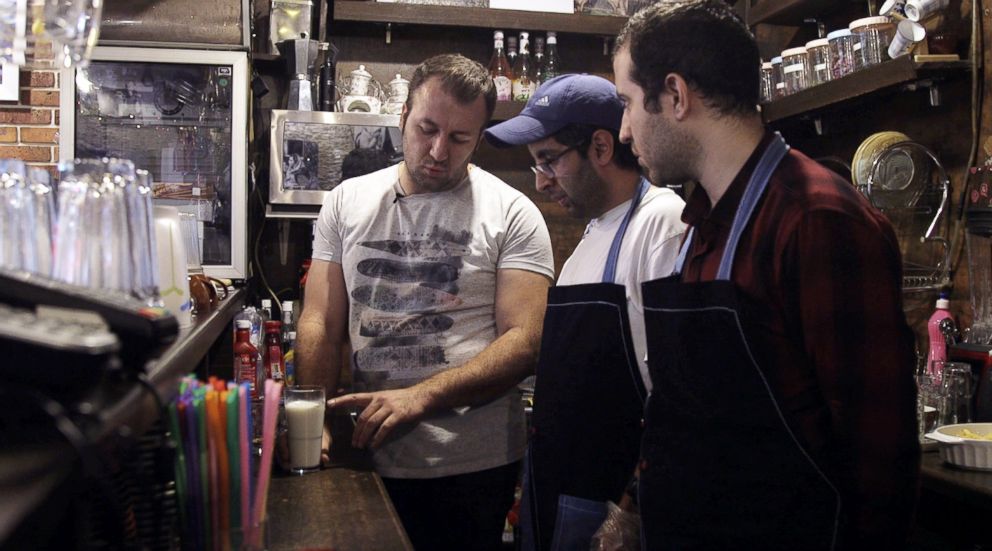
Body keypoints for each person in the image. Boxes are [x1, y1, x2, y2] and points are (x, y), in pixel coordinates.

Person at [610, 1, 920, 549]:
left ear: (676, 96)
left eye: (628, 104)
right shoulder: (702, 223)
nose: (624, 130)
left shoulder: (817, 220)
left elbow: (878, 454)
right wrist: (635, 510)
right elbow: (682, 413)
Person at [296, 53, 555, 551]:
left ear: (479, 137)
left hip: (470, 466)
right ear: (402, 118)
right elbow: (320, 322)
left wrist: (422, 395)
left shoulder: (514, 213)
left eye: (459, 138)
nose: (438, 150)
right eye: (426, 128)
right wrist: (314, 416)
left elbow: (527, 341)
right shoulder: (346, 201)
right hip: (363, 455)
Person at [484, 73, 685, 551]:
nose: (540, 181)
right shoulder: (593, 233)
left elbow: (678, 399)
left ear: (600, 146)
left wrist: (631, 511)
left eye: (548, 161)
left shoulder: (661, 223)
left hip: (606, 503)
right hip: (558, 489)